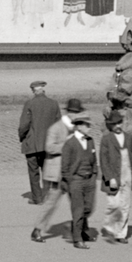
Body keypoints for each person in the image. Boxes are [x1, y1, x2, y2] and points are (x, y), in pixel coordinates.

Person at [32, 98, 82, 242]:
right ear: (67, 113)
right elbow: (49, 147)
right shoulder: (56, 128)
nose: (74, 115)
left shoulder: (77, 128)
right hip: (57, 174)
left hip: (72, 172)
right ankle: (37, 229)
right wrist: (67, 145)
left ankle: (79, 231)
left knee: (78, 203)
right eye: (72, 112)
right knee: (51, 203)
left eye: (76, 113)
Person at [100, 109, 132, 244]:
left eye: (120, 123)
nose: (118, 126)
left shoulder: (130, 138)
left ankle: (120, 233)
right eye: (114, 124)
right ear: (110, 125)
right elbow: (103, 160)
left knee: (125, 205)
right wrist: (109, 177)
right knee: (114, 204)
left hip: (128, 175)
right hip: (114, 176)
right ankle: (109, 224)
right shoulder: (106, 139)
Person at [18, 79, 60, 204]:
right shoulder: (54, 104)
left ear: (33, 91)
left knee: (33, 172)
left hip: (33, 144)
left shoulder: (29, 104)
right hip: (48, 144)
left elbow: (24, 125)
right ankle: (47, 196)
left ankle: (37, 198)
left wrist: (22, 137)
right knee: (47, 171)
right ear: (43, 90)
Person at [60, 111, 98, 249]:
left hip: (89, 180)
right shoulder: (70, 144)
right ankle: (77, 238)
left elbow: (94, 161)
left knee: (89, 208)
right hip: (76, 180)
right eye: (87, 125)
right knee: (78, 210)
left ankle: (81, 228)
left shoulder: (90, 141)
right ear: (79, 126)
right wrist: (70, 181)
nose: (89, 128)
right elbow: (64, 167)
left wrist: (94, 174)